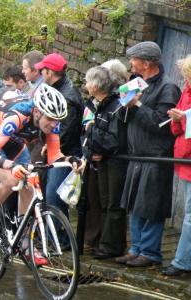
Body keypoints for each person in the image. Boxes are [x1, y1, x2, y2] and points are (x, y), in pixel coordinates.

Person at [0, 83, 83, 265]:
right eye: (51, 119)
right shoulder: (18, 116)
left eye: (58, 121)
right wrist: (11, 164)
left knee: (29, 183)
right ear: (37, 112)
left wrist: (71, 160)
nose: (55, 124)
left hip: (13, 140)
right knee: (11, 179)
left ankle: (24, 240)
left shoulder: (51, 122)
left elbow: (54, 155)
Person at [116, 41, 181, 267]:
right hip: (137, 155)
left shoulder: (167, 88)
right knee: (135, 203)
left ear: (146, 63)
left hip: (156, 156)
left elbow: (160, 124)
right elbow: (127, 119)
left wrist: (136, 105)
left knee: (151, 205)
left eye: (134, 59)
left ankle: (151, 253)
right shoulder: (136, 83)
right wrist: (123, 107)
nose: (131, 63)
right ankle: (136, 248)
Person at [82, 66, 128, 259]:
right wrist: (91, 152)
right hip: (100, 161)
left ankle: (111, 246)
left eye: (87, 81)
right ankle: (101, 242)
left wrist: (93, 132)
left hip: (114, 162)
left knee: (113, 204)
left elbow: (113, 140)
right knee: (101, 202)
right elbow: (86, 135)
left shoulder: (115, 106)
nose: (85, 85)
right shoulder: (96, 105)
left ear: (95, 85)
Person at [35, 53, 84, 222]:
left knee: (53, 195)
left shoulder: (67, 96)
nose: (40, 73)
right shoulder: (59, 89)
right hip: (56, 148)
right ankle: (53, 234)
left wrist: (52, 147)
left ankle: (59, 237)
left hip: (64, 151)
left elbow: (66, 130)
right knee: (49, 193)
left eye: (42, 70)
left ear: (50, 72)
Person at [162, 55, 191, 276]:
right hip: (184, 158)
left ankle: (182, 262)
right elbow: (176, 130)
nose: (185, 80)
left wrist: (184, 120)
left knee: (190, 214)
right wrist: (178, 119)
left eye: (187, 76)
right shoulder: (186, 92)